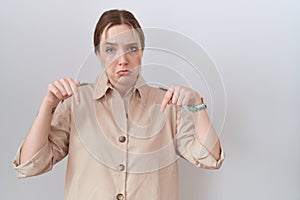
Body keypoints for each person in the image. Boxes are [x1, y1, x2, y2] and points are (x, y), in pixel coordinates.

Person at [13, 9, 224, 200]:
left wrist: (197, 105)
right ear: (98, 54)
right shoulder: (75, 103)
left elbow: (209, 158)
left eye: (131, 48)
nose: (122, 60)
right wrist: (48, 105)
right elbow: (31, 165)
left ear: (142, 51)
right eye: (110, 50)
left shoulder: (168, 105)